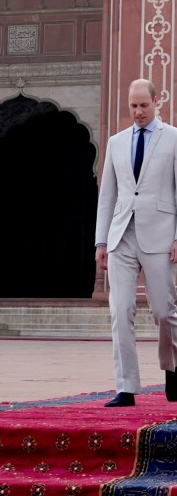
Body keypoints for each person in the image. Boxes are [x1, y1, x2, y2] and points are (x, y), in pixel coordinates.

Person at [95, 78, 177, 407]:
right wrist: (101, 241)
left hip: (158, 234)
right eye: (133, 106)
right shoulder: (116, 143)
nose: (139, 111)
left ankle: (172, 367)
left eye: (144, 105)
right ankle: (125, 387)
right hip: (121, 235)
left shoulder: (172, 139)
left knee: (163, 311)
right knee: (121, 310)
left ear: (157, 102)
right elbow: (108, 195)